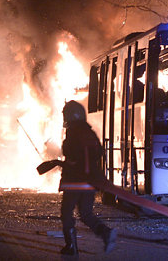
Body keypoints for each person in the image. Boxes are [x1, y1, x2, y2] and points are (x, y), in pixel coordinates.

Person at [58, 100, 117, 256]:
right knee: (86, 213)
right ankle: (106, 233)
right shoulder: (89, 132)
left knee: (66, 212)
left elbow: (68, 152)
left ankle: (71, 246)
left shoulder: (73, 132)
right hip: (90, 181)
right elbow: (99, 152)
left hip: (74, 181)